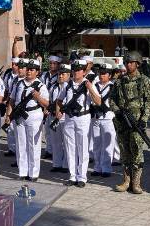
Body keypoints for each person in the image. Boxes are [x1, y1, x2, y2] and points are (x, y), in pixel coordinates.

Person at [111, 51, 150, 194]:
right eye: (127, 63)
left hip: (136, 122)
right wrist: (117, 111)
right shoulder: (119, 81)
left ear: (137, 64)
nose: (129, 65)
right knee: (124, 151)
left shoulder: (144, 81)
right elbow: (112, 99)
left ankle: (136, 183)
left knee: (136, 151)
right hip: (122, 122)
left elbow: (149, 102)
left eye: (131, 63)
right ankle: (126, 180)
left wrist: (143, 119)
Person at [56, 59, 101, 187]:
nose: (76, 72)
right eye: (74, 70)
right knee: (70, 147)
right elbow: (59, 100)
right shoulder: (67, 85)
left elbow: (98, 102)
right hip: (69, 118)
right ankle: (72, 176)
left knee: (82, 148)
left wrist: (90, 88)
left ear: (83, 71)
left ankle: (82, 177)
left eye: (79, 70)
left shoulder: (88, 84)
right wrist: (59, 112)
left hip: (83, 118)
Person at [9, 59, 49, 182]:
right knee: (21, 144)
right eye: (28, 69)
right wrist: (8, 115)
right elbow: (12, 99)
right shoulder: (19, 83)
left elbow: (47, 103)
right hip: (19, 115)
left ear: (37, 72)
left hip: (34, 115)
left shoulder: (41, 86)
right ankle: (22, 171)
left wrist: (38, 97)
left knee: (33, 145)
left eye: (32, 69)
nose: (28, 71)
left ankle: (33, 173)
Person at [91, 64, 116, 178]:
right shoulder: (94, 85)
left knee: (107, 145)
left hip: (107, 117)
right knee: (96, 144)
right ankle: (97, 168)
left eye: (104, 73)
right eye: (100, 73)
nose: (101, 75)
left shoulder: (113, 87)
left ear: (109, 75)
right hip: (96, 117)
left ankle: (106, 168)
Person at [46, 64, 70, 173]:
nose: (60, 76)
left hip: (65, 117)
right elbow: (50, 100)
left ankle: (66, 164)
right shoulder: (53, 86)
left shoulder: (70, 87)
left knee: (66, 142)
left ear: (69, 75)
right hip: (54, 117)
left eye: (63, 74)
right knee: (55, 141)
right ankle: (56, 164)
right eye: (60, 74)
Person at [41, 56, 61, 159]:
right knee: (47, 130)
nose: (52, 65)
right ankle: (49, 150)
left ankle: (56, 152)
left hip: (54, 103)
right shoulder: (44, 75)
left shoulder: (59, 75)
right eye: (51, 63)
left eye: (54, 63)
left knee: (55, 131)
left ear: (58, 65)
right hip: (45, 102)